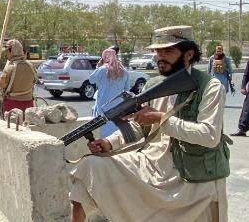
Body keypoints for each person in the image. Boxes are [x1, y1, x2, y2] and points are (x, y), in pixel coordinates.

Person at [69, 26, 230, 222]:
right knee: (88, 167)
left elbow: (209, 136)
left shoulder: (211, 87)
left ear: (188, 54)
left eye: (168, 51)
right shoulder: (153, 86)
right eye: (157, 51)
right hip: (152, 162)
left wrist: (160, 119)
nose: (159, 57)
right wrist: (110, 142)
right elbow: (140, 127)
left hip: (189, 172)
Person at [88, 48, 131, 138]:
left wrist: (98, 67)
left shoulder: (102, 69)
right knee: (114, 130)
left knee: (103, 129)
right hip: (118, 106)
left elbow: (91, 80)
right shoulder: (124, 71)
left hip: (103, 105)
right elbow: (127, 89)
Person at [0, 39, 38, 113]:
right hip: (29, 104)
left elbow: (1, 86)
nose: (6, 54)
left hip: (12, 105)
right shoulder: (31, 66)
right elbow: (35, 80)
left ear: (11, 51)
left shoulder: (9, 68)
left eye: (7, 51)